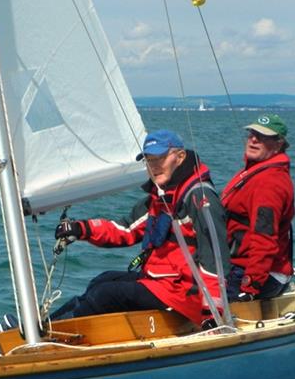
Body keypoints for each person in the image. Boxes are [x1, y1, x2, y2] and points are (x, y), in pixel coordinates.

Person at [44, 129, 230, 328]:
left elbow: (215, 258)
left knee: (105, 294)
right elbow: (126, 230)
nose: (154, 167)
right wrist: (81, 229)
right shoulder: (160, 197)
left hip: (185, 296)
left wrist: (212, 313)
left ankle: (51, 333)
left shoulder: (199, 197)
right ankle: (48, 328)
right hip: (161, 284)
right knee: (102, 281)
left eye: (159, 158)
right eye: (148, 160)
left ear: (180, 156)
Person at [221, 114, 295, 302]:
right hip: (238, 265)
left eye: (263, 137)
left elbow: (264, 238)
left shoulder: (269, 184)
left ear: (278, 144)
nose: (254, 139)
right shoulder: (254, 172)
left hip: (260, 274)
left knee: (197, 303)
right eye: (252, 134)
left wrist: (250, 286)